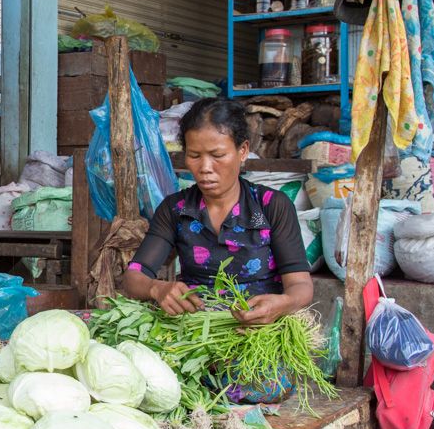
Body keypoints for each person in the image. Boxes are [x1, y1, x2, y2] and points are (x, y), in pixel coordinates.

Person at [121, 97, 313, 326]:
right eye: (194, 156)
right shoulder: (176, 209)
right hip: (194, 333)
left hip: (258, 330)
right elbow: (133, 277)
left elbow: (300, 285)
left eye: (217, 155)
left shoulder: (271, 206)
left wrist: (284, 303)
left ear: (242, 151)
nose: (205, 168)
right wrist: (157, 288)